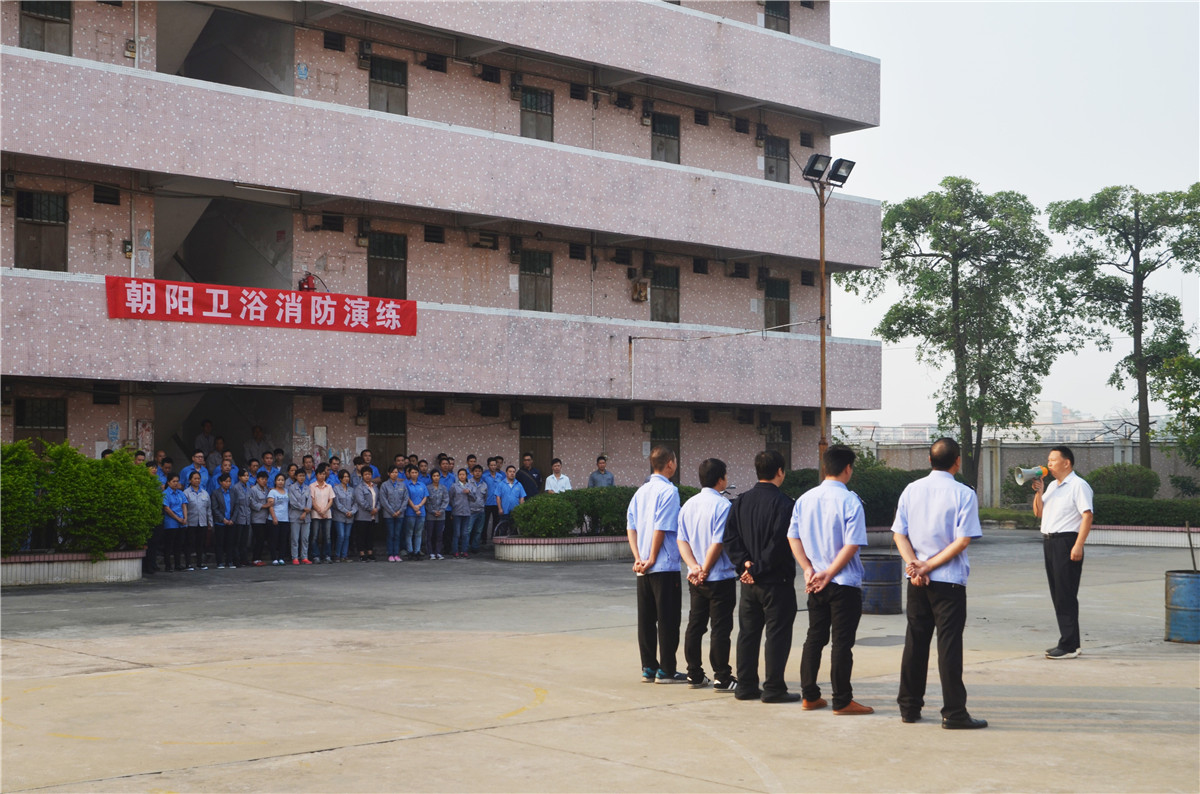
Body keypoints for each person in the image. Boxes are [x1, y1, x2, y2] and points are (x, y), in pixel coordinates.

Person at [892, 437, 987, 729]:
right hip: (948, 581)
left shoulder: (911, 490)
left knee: (915, 642)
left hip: (917, 581)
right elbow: (963, 539)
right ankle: (954, 713)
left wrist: (915, 567)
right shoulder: (963, 494)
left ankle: (909, 707)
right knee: (948, 645)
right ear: (957, 461)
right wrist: (929, 565)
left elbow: (899, 534)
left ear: (930, 460)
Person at [788, 445, 873, 715]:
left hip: (816, 582)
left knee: (815, 637)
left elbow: (793, 537)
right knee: (842, 642)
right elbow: (852, 545)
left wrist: (808, 568)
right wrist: (831, 572)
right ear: (847, 468)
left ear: (825, 467)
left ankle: (809, 695)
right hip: (843, 582)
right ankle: (842, 700)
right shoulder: (850, 501)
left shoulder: (805, 499)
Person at [722, 450, 799, 703]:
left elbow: (730, 538)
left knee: (748, 633)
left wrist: (745, 566)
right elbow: (779, 544)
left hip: (748, 583)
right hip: (776, 581)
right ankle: (774, 688)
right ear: (780, 472)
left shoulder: (741, 501)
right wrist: (755, 569)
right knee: (776, 634)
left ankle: (745, 686)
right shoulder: (785, 504)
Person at [675, 457, 736, 691]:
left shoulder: (688, 504)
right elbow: (717, 542)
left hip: (695, 578)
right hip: (719, 577)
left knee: (695, 624)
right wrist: (706, 569)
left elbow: (682, 540)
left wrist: (694, 567)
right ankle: (722, 675)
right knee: (720, 628)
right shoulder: (723, 506)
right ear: (721, 479)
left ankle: (694, 673)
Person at [1031, 445, 1094, 660]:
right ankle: (1069, 642)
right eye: (1048, 460)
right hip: (1049, 542)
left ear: (1066, 462)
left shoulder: (1078, 485)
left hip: (1067, 542)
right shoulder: (1053, 487)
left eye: (1052, 460)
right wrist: (1039, 491)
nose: (1048, 464)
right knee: (1058, 594)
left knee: (1066, 594)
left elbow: (1087, 516)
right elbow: (1038, 513)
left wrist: (1078, 545)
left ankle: (1068, 646)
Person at [627, 446, 684, 684]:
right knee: (668, 619)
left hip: (643, 568)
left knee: (647, 619)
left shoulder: (642, 491)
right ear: (669, 463)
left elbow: (631, 526)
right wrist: (651, 557)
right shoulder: (669, 491)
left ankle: (648, 667)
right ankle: (667, 670)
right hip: (664, 566)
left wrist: (638, 557)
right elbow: (661, 526)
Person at [183, 470, 212, 571]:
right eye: (195, 478)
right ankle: (188, 564)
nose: (197, 480)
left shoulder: (205, 493)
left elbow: (208, 509)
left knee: (201, 544)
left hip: (202, 522)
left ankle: (200, 563)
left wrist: (210, 522)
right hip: (190, 522)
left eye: (198, 478)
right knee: (189, 544)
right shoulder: (186, 493)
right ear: (190, 480)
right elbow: (184, 508)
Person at [380, 465, 409, 562]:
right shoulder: (384, 485)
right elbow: (383, 500)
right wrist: (392, 512)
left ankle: (396, 554)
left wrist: (400, 510)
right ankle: (390, 554)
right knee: (390, 534)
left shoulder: (402, 485)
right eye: (392, 472)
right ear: (388, 474)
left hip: (400, 514)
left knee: (397, 534)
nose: (394, 474)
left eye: (396, 472)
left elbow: (405, 499)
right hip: (389, 515)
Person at [210, 472, 237, 569]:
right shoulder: (215, 493)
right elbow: (215, 508)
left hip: (231, 521)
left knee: (230, 542)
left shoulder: (233, 492)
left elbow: (236, 506)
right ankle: (220, 562)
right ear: (221, 482)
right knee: (220, 543)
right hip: (220, 522)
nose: (228, 483)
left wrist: (232, 519)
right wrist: (223, 519)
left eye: (229, 481)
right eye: (226, 481)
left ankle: (229, 561)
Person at [161, 473, 187, 572]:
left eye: (177, 481)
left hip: (181, 522)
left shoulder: (180, 493)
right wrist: (177, 518)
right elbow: (167, 508)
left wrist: (185, 518)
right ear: (168, 482)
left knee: (179, 544)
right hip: (171, 522)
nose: (176, 483)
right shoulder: (166, 493)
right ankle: (168, 565)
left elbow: (184, 505)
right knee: (169, 545)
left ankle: (178, 564)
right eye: (174, 481)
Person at [353, 466, 379, 561]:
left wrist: (377, 508)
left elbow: (378, 500)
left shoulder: (375, 487)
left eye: (369, 474)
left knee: (370, 535)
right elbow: (361, 501)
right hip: (362, 516)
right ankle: (362, 553)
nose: (368, 476)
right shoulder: (359, 488)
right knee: (361, 535)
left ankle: (370, 553)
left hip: (373, 516)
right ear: (362, 476)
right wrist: (370, 509)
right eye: (365, 474)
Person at [287, 468, 313, 564]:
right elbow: (293, 502)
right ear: (295, 477)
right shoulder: (291, 488)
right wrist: (303, 508)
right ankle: (295, 557)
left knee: (305, 538)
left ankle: (304, 556)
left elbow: (310, 501)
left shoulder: (307, 488)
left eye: (303, 476)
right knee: (295, 538)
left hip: (306, 516)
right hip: (295, 515)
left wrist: (305, 512)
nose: (302, 478)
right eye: (300, 476)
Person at [310, 464, 335, 564]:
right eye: (320, 474)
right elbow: (312, 501)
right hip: (316, 515)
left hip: (327, 514)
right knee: (315, 536)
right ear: (316, 475)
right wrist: (320, 511)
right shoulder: (312, 486)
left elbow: (331, 500)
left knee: (327, 536)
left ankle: (327, 555)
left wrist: (324, 510)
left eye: (324, 474)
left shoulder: (328, 486)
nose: (322, 476)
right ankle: (315, 555)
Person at [404, 464, 429, 560]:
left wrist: (419, 506)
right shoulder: (406, 484)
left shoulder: (422, 484)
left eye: (416, 472)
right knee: (409, 532)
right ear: (409, 474)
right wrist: (414, 507)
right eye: (412, 472)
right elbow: (407, 497)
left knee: (419, 533)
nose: (414, 474)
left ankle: (417, 551)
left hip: (421, 512)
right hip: (410, 512)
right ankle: (410, 551)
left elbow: (425, 497)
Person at [449, 468, 474, 559]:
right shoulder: (454, 486)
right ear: (458, 476)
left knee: (465, 533)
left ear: (466, 476)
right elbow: (450, 498)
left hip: (467, 512)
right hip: (457, 512)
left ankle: (464, 551)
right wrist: (455, 505)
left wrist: (469, 492)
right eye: (460, 475)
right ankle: (455, 551)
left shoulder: (470, 486)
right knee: (457, 533)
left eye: (463, 474)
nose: (462, 476)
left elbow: (474, 499)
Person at [249, 470, 272, 566]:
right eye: (262, 479)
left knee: (262, 539)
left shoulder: (266, 490)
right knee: (258, 539)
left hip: (265, 518)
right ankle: (255, 558)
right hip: (256, 518)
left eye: (266, 479)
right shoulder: (253, 490)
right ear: (257, 479)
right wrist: (265, 506)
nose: (264, 481)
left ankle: (259, 558)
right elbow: (252, 503)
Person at [267, 473, 290, 566]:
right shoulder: (272, 492)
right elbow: (270, 506)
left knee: (283, 539)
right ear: (275, 481)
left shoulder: (287, 491)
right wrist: (274, 517)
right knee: (274, 539)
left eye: (282, 480)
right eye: (279, 480)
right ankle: (274, 558)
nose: (281, 482)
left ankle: (281, 557)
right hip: (275, 518)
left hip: (285, 519)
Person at [332, 469, 356, 562]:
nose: (346, 479)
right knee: (341, 535)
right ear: (340, 478)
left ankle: (344, 556)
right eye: (345, 477)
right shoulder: (336, 489)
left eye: (348, 477)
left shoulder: (352, 489)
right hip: (339, 516)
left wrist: (352, 511)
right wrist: (346, 511)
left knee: (347, 536)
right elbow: (336, 504)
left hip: (350, 516)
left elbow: (355, 503)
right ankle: (337, 555)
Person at [231, 468, 253, 567]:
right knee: (237, 540)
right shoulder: (235, 488)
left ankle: (244, 559)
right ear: (239, 477)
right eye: (244, 475)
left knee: (245, 540)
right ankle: (236, 560)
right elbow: (234, 504)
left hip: (247, 516)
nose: (246, 477)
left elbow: (250, 502)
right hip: (238, 516)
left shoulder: (249, 488)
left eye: (247, 475)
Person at [426, 470, 449, 560]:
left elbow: (446, 500)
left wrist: (441, 510)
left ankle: (438, 552)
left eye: (437, 476)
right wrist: (432, 511)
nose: (436, 477)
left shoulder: (443, 488)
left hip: (441, 515)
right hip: (430, 515)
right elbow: (427, 501)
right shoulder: (428, 488)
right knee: (430, 534)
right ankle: (430, 552)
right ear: (431, 477)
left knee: (439, 534)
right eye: (434, 476)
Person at [482, 457, 506, 543]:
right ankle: (483, 539)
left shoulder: (500, 476)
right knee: (485, 522)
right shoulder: (484, 476)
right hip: (487, 502)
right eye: (491, 465)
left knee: (496, 522)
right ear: (488, 466)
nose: (493, 467)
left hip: (497, 503)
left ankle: (494, 538)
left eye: (494, 465)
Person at [467, 464, 489, 554]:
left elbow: (485, 497)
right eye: (476, 471)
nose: (477, 473)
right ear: (472, 473)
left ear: (481, 473)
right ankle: (466, 547)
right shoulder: (468, 483)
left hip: (481, 511)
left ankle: (475, 547)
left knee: (478, 531)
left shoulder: (484, 485)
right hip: (470, 511)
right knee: (468, 530)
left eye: (479, 471)